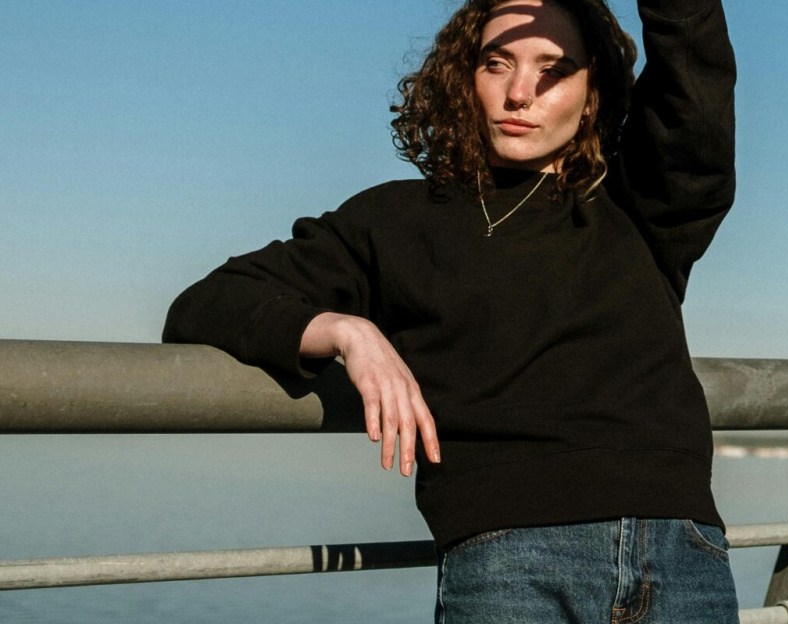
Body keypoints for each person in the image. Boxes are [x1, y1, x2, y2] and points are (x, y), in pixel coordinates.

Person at [163, 0, 737, 621]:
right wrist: (345, 331)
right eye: (498, 64)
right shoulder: (397, 219)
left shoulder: (640, 207)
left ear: (591, 92)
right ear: (464, 78)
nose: (520, 92)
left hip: (682, 550)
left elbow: (693, 84)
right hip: (508, 559)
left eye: (554, 69)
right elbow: (205, 304)